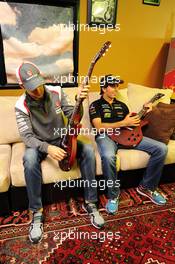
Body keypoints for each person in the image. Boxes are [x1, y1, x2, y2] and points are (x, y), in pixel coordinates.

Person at [15, 62, 105, 244]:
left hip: (61, 138)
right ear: (22, 86)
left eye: (39, 84)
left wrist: (79, 102)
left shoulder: (57, 92)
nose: (38, 91)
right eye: (32, 88)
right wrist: (47, 148)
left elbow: (73, 117)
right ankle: (37, 213)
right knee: (29, 158)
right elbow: (27, 137)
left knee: (87, 149)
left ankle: (91, 203)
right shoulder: (20, 105)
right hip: (39, 143)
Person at [89, 74, 168, 215]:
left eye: (117, 85)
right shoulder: (95, 105)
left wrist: (145, 112)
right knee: (108, 157)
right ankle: (113, 196)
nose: (116, 89)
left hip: (127, 136)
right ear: (103, 88)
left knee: (161, 148)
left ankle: (147, 187)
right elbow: (99, 126)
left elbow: (133, 124)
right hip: (106, 136)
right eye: (112, 86)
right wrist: (123, 123)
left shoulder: (122, 105)